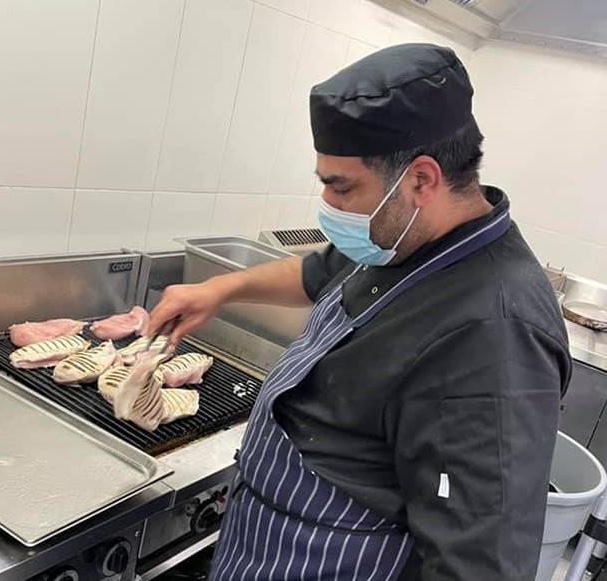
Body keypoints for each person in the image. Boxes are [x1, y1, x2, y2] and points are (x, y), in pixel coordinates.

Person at [146, 43, 571, 580]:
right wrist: (218, 290)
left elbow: (480, 564)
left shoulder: (496, 335)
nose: (328, 205)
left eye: (340, 187)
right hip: (264, 546)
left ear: (421, 180)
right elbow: (314, 273)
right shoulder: (399, 238)